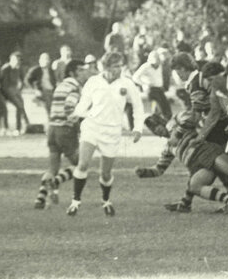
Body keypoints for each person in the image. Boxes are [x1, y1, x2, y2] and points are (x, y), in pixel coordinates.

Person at [66, 51, 145, 217]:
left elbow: (138, 106)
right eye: (115, 66)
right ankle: (75, 201)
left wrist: (138, 128)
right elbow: (83, 103)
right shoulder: (93, 82)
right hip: (92, 127)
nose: (119, 69)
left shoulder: (127, 84)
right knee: (83, 164)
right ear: (106, 67)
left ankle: (106, 200)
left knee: (106, 173)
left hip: (112, 132)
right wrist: (76, 113)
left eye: (120, 65)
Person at [34, 59, 91, 209]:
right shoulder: (75, 87)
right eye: (81, 70)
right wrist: (79, 125)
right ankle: (55, 182)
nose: (85, 73)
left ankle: (40, 199)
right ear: (72, 72)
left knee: (53, 168)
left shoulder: (61, 85)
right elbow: (69, 108)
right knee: (81, 164)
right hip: (65, 130)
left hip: (52, 129)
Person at [0, 51, 30, 134]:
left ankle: (23, 127)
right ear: (11, 59)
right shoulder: (6, 68)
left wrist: (19, 90)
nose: (17, 62)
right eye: (15, 59)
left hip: (15, 90)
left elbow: (22, 81)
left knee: (21, 106)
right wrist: (12, 93)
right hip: (6, 92)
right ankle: (20, 127)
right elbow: (4, 85)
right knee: (19, 106)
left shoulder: (18, 68)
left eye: (19, 60)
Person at [26, 52, 57, 121]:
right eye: (44, 59)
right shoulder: (36, 70)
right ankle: (51, 120)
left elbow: (54, 82)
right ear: (40, 60)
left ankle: (53, 120)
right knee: (49, 106)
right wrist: (35, 89)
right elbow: (27, 80)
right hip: (42, 91)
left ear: (49, 61)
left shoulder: (51, 71)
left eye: (47, 59)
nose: (46, 61)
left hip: (52, 91)